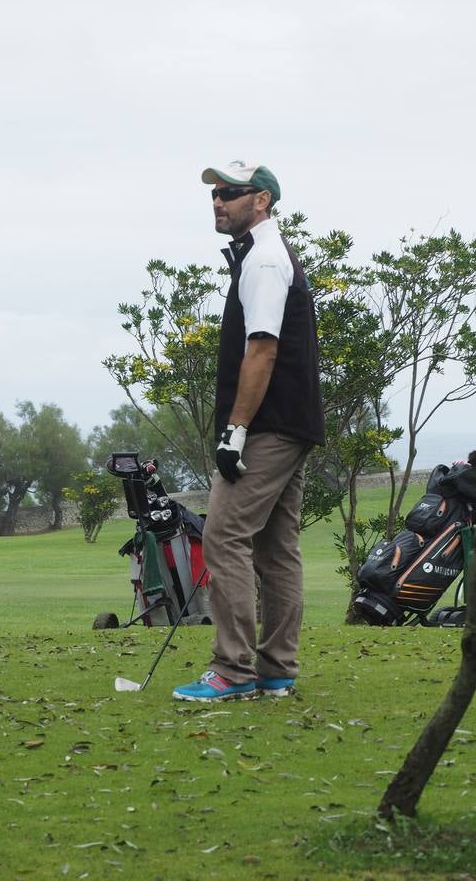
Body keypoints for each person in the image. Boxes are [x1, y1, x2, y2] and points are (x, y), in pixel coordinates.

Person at [172, 160, 325, 701]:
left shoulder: (262, 260)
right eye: (214, 195)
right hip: (291, 422)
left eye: (231, 193)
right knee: (278, 549)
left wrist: (235, 429)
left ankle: (233, 670)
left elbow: (262, 348)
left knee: (224, 535)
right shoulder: (263, 255)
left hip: (268, 426)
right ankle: (276, 669)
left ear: (261, 201)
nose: (219, 202)